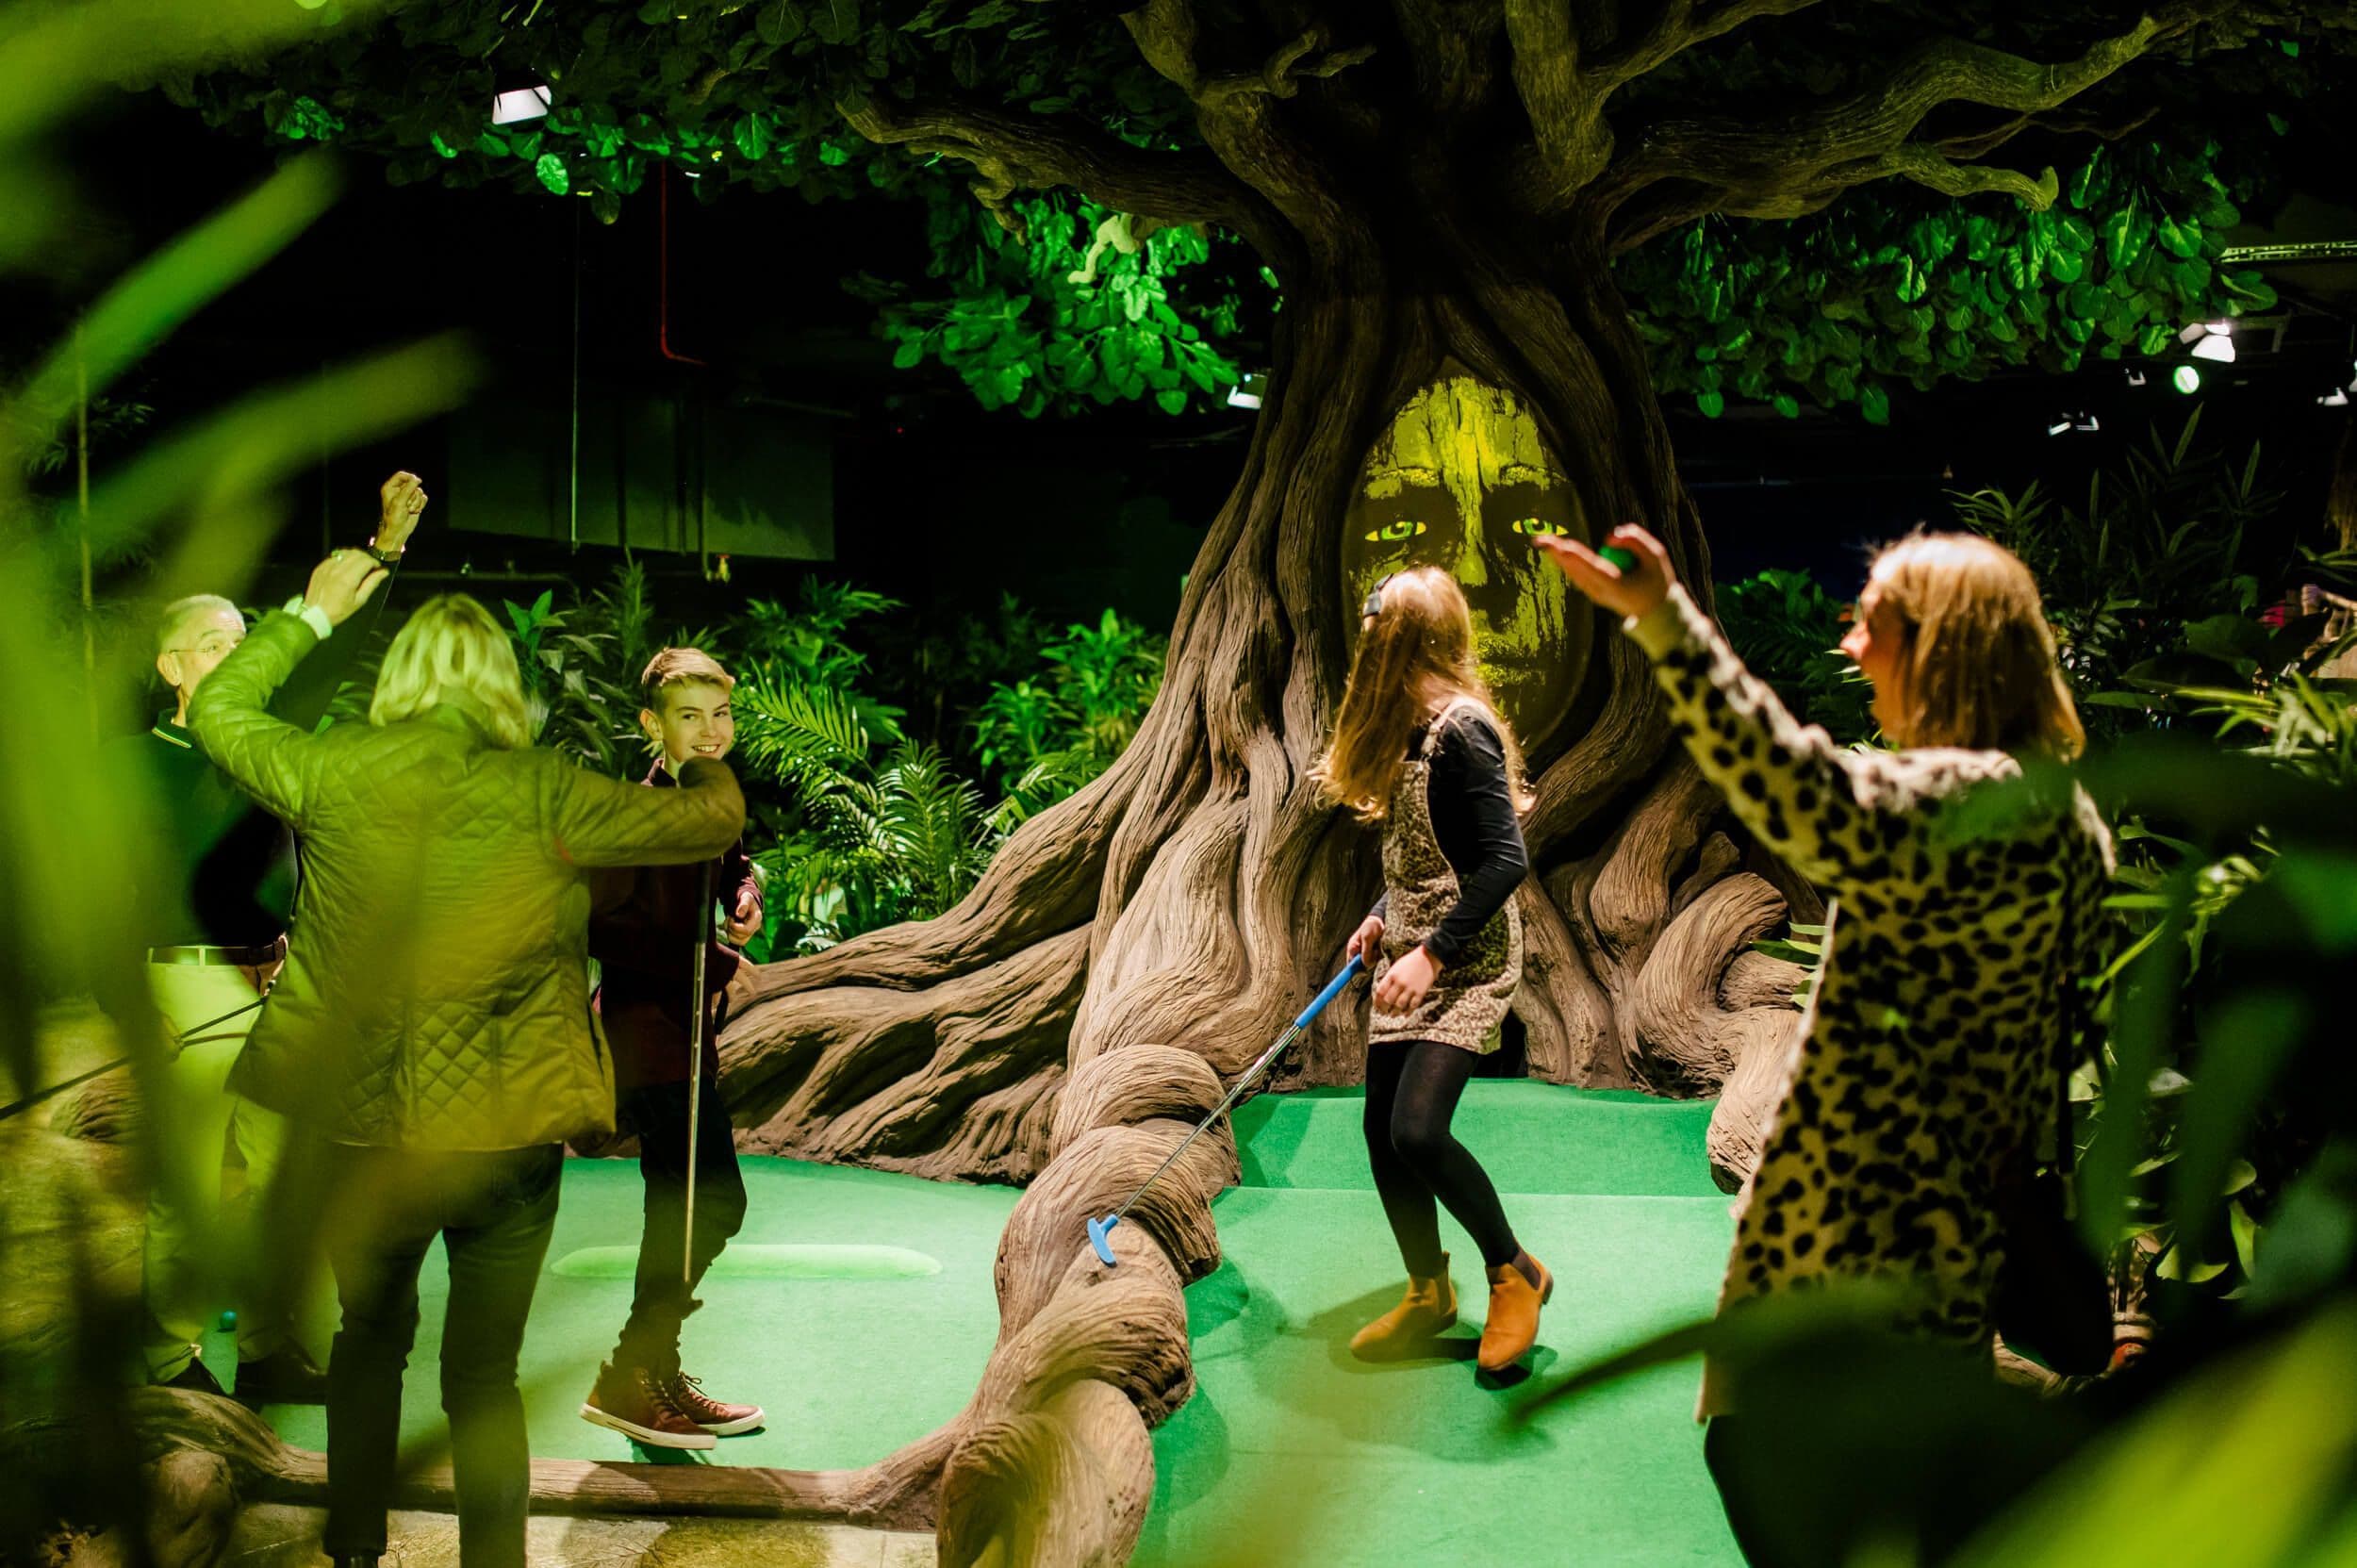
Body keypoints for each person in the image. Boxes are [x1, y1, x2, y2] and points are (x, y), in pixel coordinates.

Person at [1538, 525, 2112, 1565]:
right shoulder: (2065, 820)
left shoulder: (1955, 803)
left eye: (1873, 624)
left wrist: (1667, 624)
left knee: (1770, 1467)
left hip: (1856, 1233)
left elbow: (1785, 783)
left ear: (1943, 648)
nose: (1851, 647)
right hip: (1946, 1228)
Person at [188, 572, 746, 1568]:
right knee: (483, 1377)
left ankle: (355, 1548)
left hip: (364, 1128)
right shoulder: (545, 786)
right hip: (510, 1134)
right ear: (500, 684)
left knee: (368, 1338)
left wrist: (315, 610)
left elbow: (220, 705)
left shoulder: (328, 769)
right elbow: (704, 826)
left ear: (402, 677)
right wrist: (701, 759)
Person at [118, 470, 426, 1404]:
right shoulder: (137, 764)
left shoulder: (269, 744)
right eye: (215, 645)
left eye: (244, 642)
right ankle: (170, 1360)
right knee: (198, 1185)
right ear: (171, 667)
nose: (237, 654)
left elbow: (333, 651)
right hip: (188, 981)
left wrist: (386, 552)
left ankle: (267, 1348)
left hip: (275, 975)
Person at [1313, 565, 1551, 1377]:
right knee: (1382, 1134)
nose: (1369, 639)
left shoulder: (1463, 729)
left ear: (1409, 637)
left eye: (1381, 627)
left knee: (1418, 1127)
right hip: (1408, 946)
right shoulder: (1404, 729)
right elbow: (1421, 852)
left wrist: (1430, 951)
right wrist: (1381, 916)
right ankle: (1429, 1292)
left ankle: (1513, 1270)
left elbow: (1503, 861)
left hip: (1468, 956)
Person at [578, 648, 765, 1449]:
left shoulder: (714, 800)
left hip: (690, 1036)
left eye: (721, 714)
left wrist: (745, 898)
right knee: (707, 1200)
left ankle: (654, 1368)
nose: (711, 731)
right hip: (643, 1034)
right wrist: (721, 960)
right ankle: (631, 1371)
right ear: (653, 725)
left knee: (687, 1204)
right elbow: (603, 928)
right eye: (691, 716)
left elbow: (733, 870)